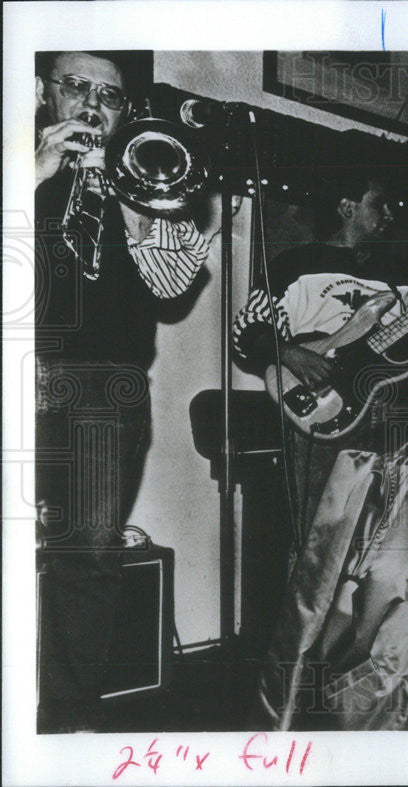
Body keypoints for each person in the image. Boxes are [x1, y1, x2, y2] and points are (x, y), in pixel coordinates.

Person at [35, 51, 211, 732]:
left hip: (106, 386)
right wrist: (31, 175)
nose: (90, 104)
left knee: (91, 558)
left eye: (107, 94)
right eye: (75, 87)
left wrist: (136, 208)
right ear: (42, 91)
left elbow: (171, 291)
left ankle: (70, 724)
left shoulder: (145, 171)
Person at [232, 171, 408, 527]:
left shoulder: (398, 275)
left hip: (386, 409)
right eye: (378, 203)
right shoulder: (295, 265)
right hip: (324, 407)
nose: (389, 214)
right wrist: (291, 354)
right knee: (319, 529)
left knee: (380, 532)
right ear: (346, 207)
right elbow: (246, 328)